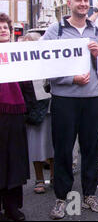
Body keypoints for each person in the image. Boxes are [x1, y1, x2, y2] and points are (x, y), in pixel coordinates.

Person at [42, 0, 98, 219]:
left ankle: (89, 194)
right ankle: (63, 198)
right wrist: (71, 79)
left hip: (92, 98)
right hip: (65, 98)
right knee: (63, 149)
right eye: (78, 0)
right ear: (69, 3)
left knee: (91, 149)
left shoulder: (96, 30)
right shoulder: (56, 29)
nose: (82, 4)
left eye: (86, 1)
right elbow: (43, 62)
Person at [0, 13, 30, 221]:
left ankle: (12, 206)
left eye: (6, 28)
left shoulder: (19, 53)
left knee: (14, 162)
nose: (3, 30)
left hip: (15, 113)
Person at [19, 32, 54, 194]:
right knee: (35, 146)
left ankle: (54, 176)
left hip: (50, 106)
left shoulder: (47, 61)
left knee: (53, 143)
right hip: (32, 108)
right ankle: (39, 179)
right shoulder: (20, 64)